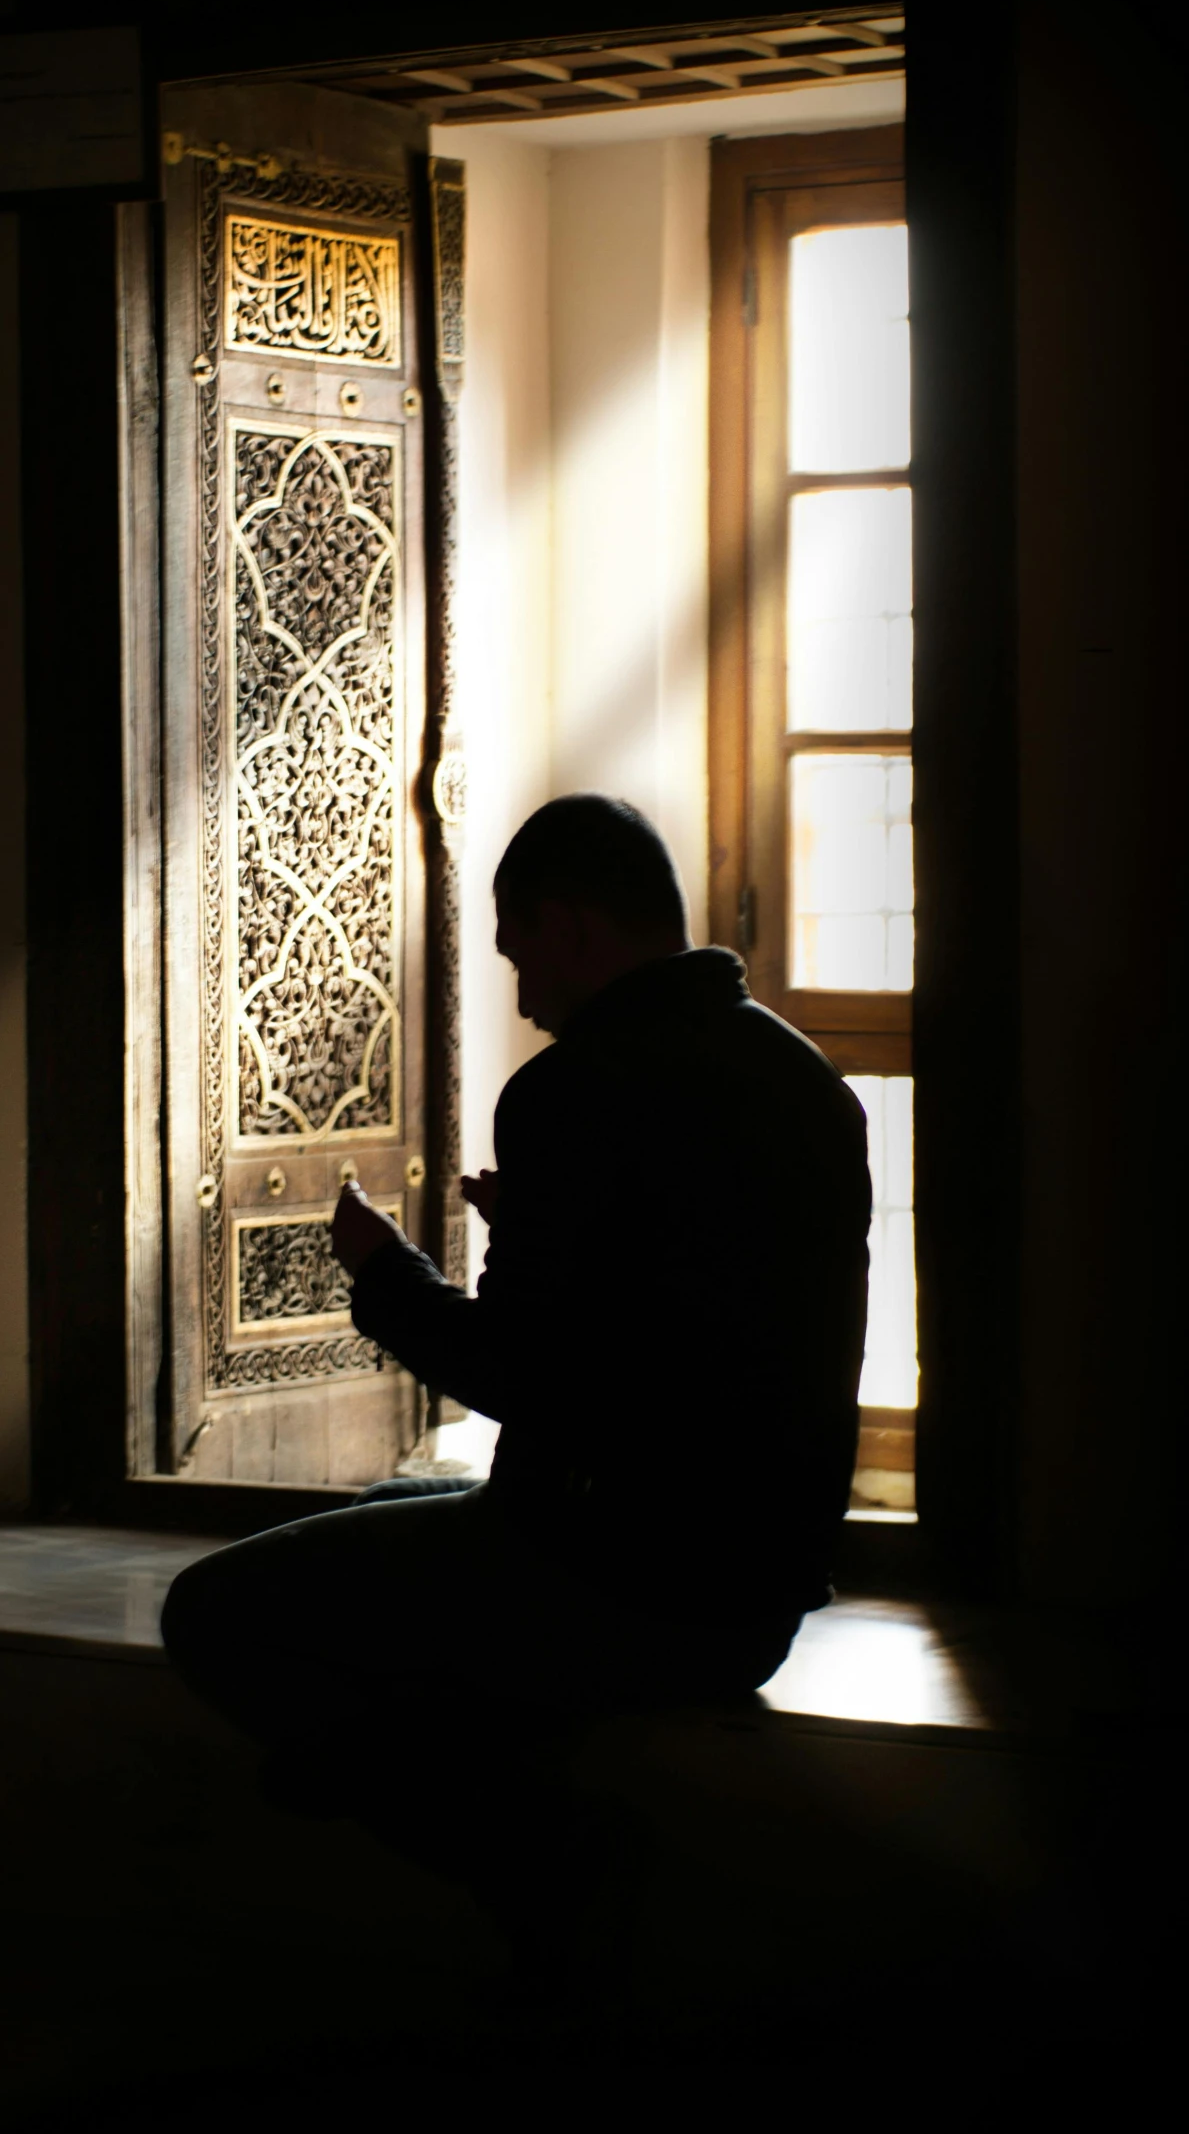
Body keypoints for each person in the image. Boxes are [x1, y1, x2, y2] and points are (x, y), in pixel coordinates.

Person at [161, 795, 871, 2007]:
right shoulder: (807, 1080)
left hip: (612, 1581)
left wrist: (388, 1277)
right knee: (402, 1502)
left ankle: (536, 1854)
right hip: (755, 1592)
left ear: (573, 925)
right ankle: (463, 1777)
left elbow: (519, 1376)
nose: (521, 989)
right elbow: (703, 1317)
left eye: (517, 949)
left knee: (212, 1611)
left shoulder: (571, 1091)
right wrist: (544, 1234)